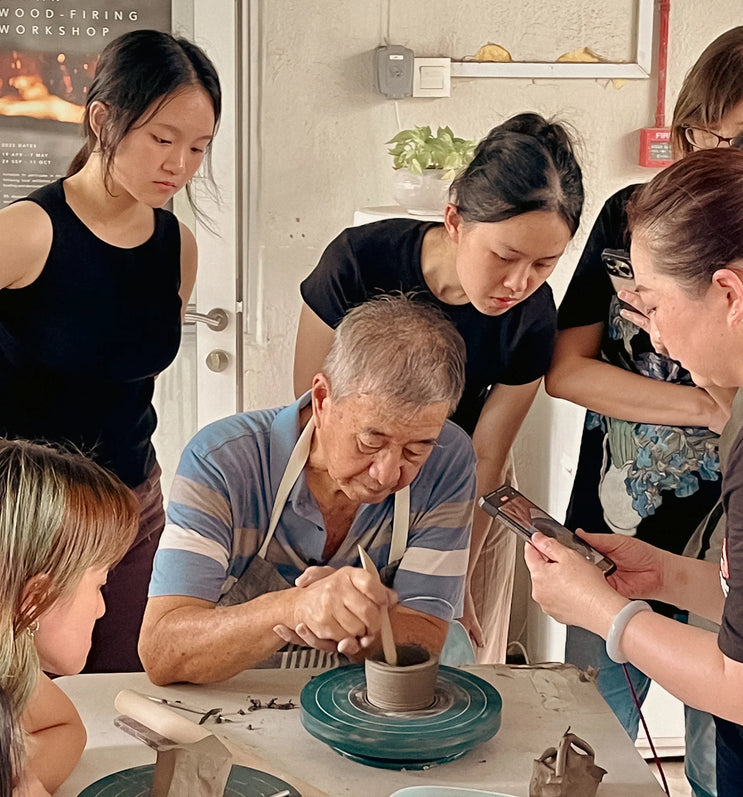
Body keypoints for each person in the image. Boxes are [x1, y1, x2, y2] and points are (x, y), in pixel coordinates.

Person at [545, 24, 743, 792]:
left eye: (650, 304)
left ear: (727, 289)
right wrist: (669, 578)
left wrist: (605, 612)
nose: (647, 329)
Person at [293, 112, 584, 664]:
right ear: (454, 221)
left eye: (545, 264)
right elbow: (313, 415)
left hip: (464, 491)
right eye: (505, 256)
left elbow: (488, 455)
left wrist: (457, 587)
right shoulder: (359, 261)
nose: (520, 283)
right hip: (351, 469)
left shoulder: (531, 318)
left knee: (454, 656)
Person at [0, 30, 221, 673]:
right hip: (35, 521)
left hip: (133, 505)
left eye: (198, 147)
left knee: (129, 687)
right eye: (162, 138)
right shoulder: (29, 232)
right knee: (28, 711)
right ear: (102, 120)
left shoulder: (176, 245)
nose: (179, 164)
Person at [139, 295, 476, 685]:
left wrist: (356, 621)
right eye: (370, 441)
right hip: (234, 697)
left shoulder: (448, 460)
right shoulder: (222, 461)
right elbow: (163, 652)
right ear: (321, 400)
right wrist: (293, 608)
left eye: (415, 449)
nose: (387, 474)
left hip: (364, 702)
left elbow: (427, 634)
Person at [0, 439, 138, 794]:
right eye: (99, 584)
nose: (102, 607)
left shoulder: (11, 667)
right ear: (35, 599)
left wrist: (20, 779)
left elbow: (65, 727)